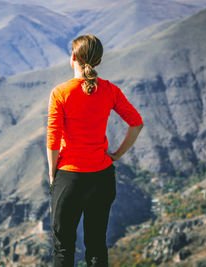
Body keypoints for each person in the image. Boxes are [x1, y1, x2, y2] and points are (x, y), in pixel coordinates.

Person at [46, 34, 144, 267]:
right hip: (102, 177)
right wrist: (117, 155)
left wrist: (52, 173)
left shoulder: (61, 92)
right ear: (98, 61)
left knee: (63, 247)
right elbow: (136, 123)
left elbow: (53, 139)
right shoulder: (109, 90)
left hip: (70, 177)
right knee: (97, 244)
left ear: (73, 58)